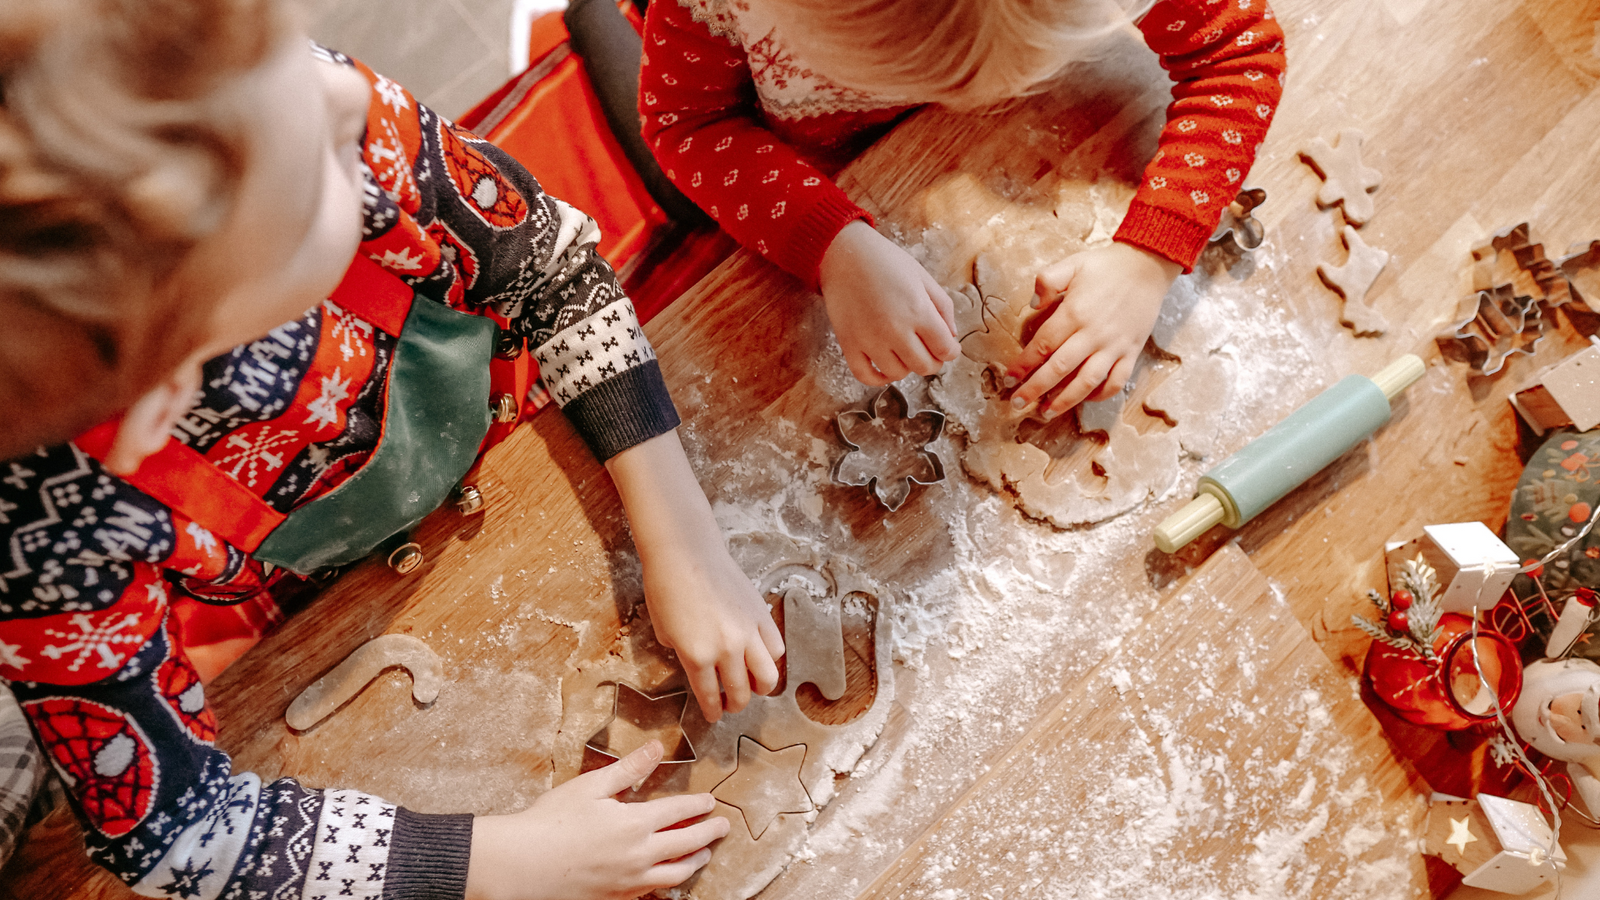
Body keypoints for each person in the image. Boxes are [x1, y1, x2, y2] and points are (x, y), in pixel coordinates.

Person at [0, 0, 783, 897]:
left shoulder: (271, 92)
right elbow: (176, 835)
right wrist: (504, 863)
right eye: (325, 163)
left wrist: (683, 542)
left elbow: (553, 273)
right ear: (168, 393)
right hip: (322, 581)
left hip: (510, 420)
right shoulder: (45, 541)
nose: (348, 91)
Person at [639, 0, 1286, 418]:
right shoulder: (718, 8)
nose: (971, 105)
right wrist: (831, 246)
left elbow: (1240, 52)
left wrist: (1149, 255)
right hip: (783, 148)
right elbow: (685, 122)